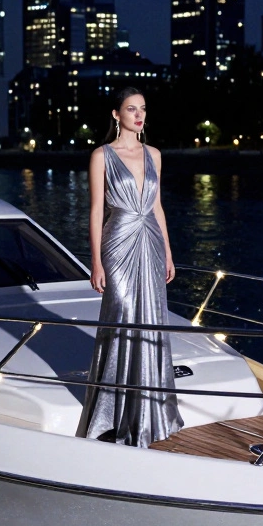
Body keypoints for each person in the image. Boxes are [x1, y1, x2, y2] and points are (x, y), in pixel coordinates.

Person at [77, 87, 184, 447]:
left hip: (151, 241)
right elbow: (95, 212)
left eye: (142, 109)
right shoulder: (101, 156)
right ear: (116, 114)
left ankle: (149, 412)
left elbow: (157, 207)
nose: (139, 115)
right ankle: (111, 414)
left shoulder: (154, 153)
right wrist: (95, 261)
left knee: (152, 319)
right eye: (131, 109)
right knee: (120, 314)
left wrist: (168, 252)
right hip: (118, 239)